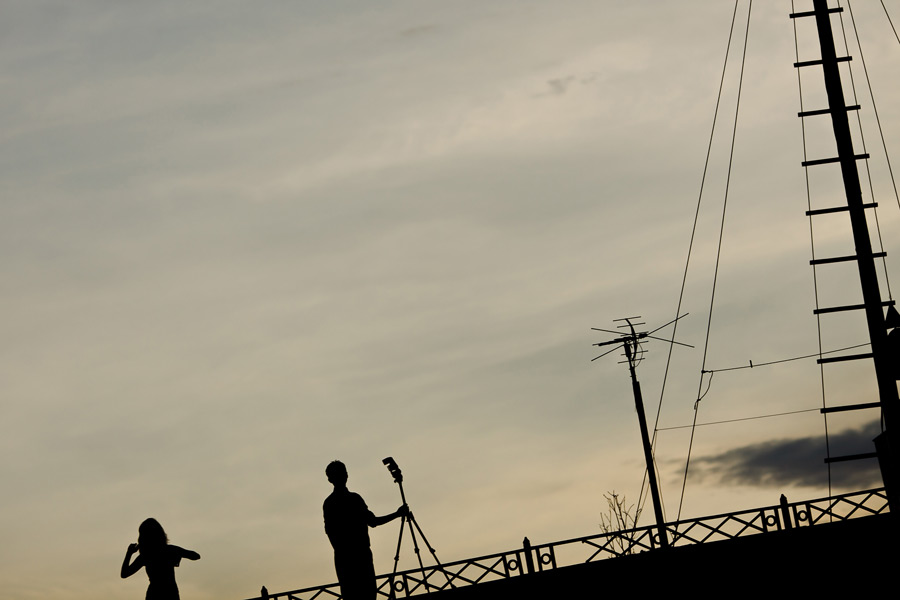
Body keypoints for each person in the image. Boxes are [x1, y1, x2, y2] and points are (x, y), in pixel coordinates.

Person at [323, 460, 407, 600]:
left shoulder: (331, 503)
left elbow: (331, 533)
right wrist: (397, 514)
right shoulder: (352, 499)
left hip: (347, 559)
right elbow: (373, 522)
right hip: (359, 557)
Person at [121, 518, 201, 600]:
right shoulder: (169, 550)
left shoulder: (145, 556)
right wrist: (178, 553)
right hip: (171, 593)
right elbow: (196, 556)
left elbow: (124, 574)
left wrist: (129, 553)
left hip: (154, 594)